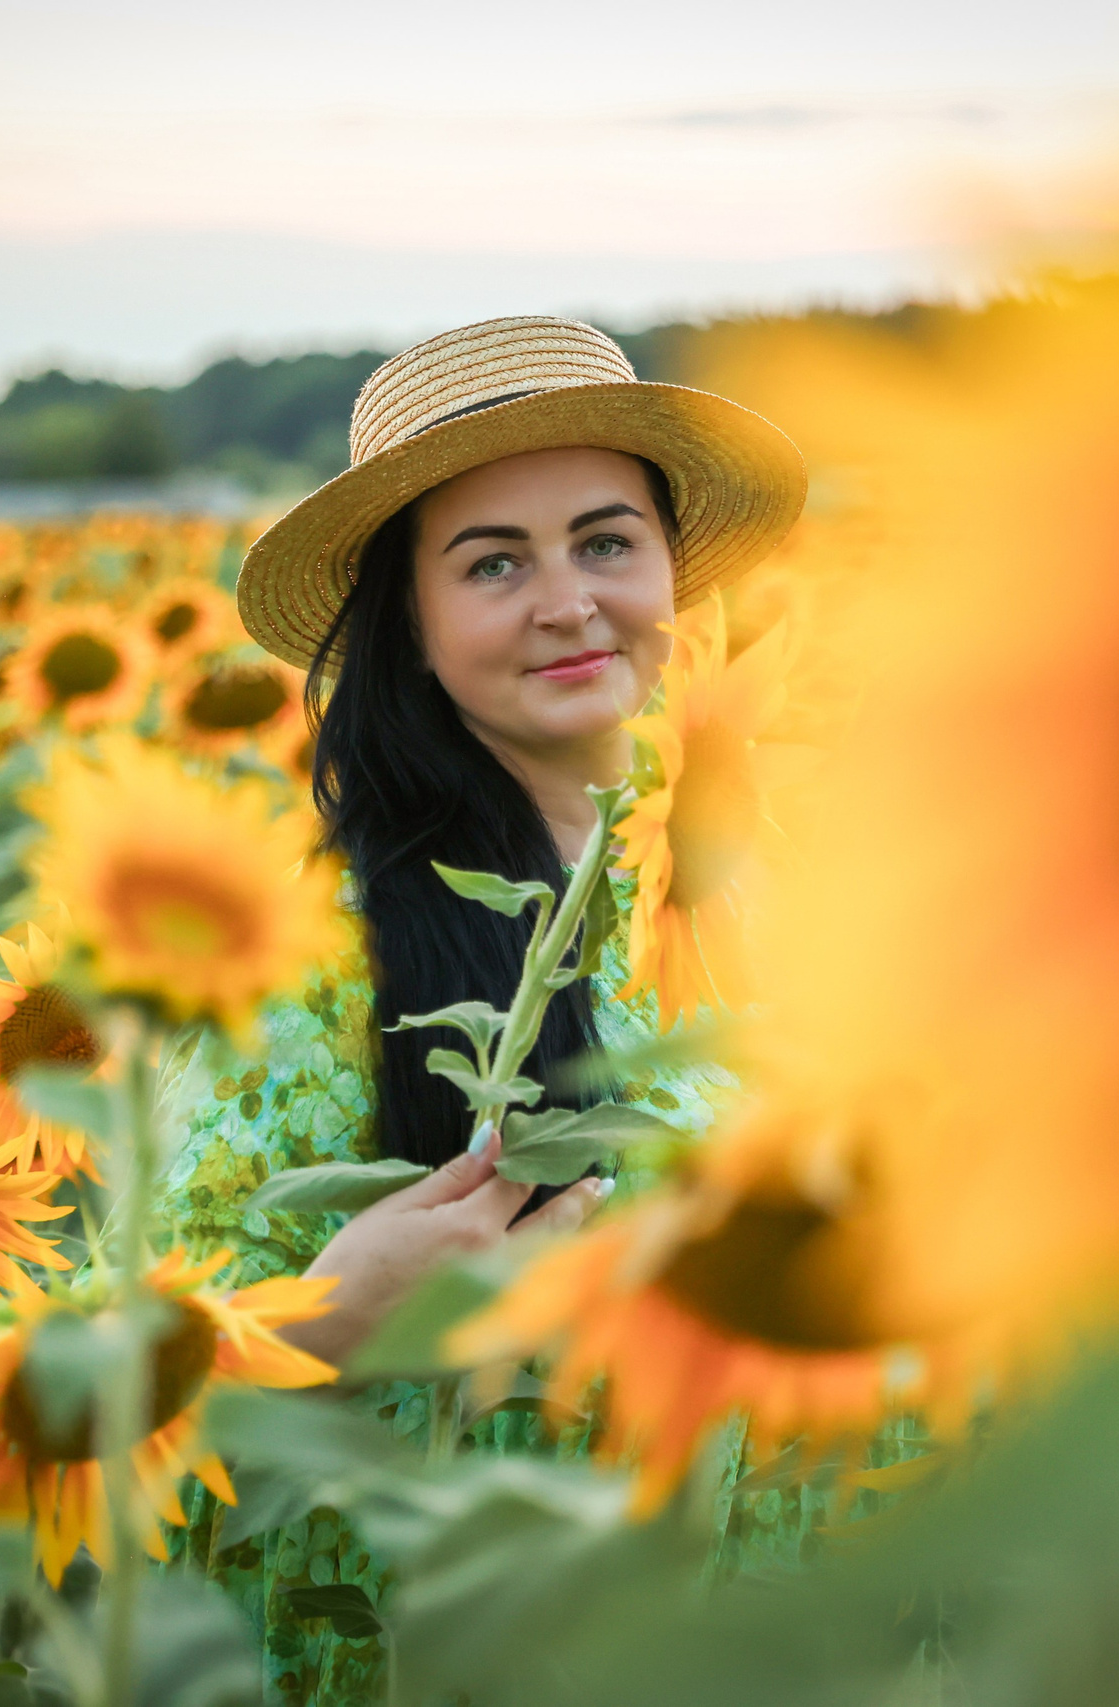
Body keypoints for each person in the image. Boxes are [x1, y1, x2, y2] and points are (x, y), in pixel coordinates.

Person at [158, 316, 812, 1706]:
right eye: (495, 562)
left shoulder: (733, 893)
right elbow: (123, 1393)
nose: (570, 600)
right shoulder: (323, 958)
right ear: (411, 621)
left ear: (673, 576)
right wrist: (338, 1311)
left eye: (607, 541)